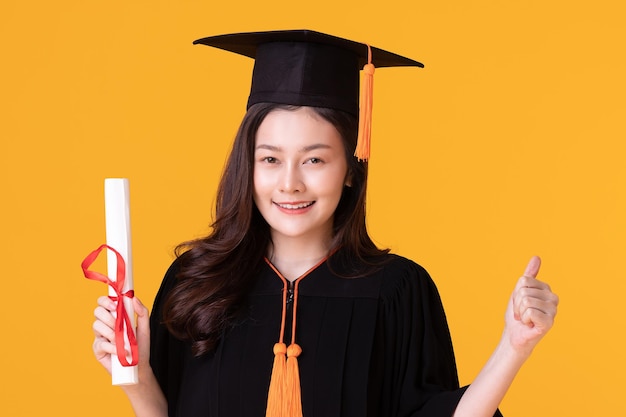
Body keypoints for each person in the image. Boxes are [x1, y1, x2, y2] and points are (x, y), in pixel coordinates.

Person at [91, 30, 559, 417]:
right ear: (247, 166)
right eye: (270, 158)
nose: (290, 183)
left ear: (351, 168)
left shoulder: (397, 291)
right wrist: (136, 373)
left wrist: (513, 348)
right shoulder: (195, 281)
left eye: (314, 159)